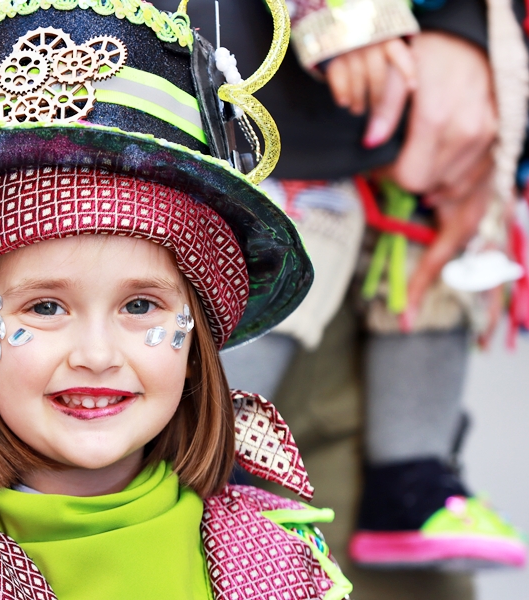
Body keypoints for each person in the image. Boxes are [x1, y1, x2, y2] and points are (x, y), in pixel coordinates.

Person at [0, 1, 357, 598]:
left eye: (140, 306)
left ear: (198, 331)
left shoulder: (285, 567)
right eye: (45, 308)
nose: (96, 354)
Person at [182, 0, 528, 590]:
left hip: (374, 162)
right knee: (172, 492)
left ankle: (410, 484)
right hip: (155, 174)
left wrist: (468, 37)